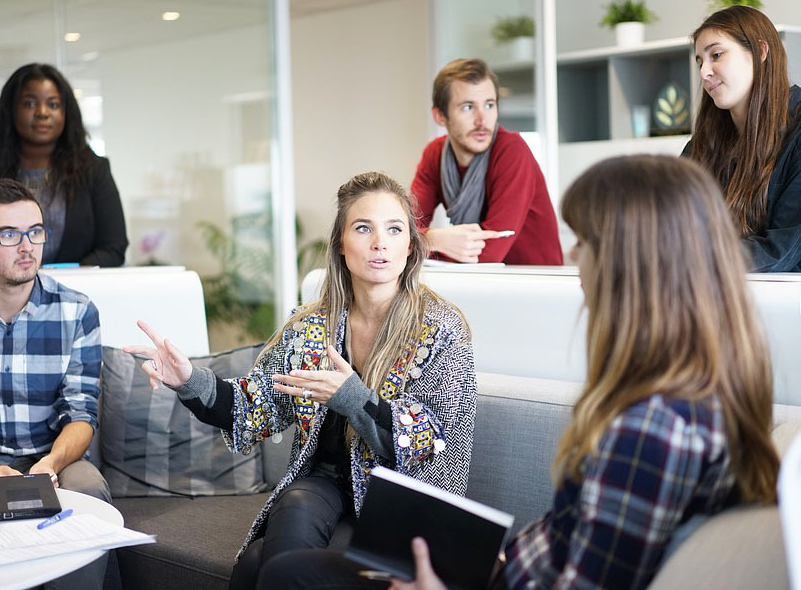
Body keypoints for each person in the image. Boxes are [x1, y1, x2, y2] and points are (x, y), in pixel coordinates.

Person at [257, 154, 780, 590]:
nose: (574, 258)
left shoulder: (653, 428)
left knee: (288, 576)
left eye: (586, 242)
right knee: (281, 566)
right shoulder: (688, 394)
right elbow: (576, 541)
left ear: (632, 263)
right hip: (502, 569)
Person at [126, 171, 476, 588]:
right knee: (293, 505)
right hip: (325, 483)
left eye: (394, 229)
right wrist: (187, 380)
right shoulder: (311, 326)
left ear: (410, 247)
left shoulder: (441, 328)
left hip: (401, 500)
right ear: (341, 246)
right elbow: (252, 406)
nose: (380, 242)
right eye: (363, 228)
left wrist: (353, 398)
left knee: (259, 563)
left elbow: (435, 444)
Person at [0, 179, 111, 589]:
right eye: (8, 234)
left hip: (50, 457)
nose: (27, 246)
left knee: (88, 489)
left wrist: (49, 466)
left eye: (35, 231)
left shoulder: (77, 312)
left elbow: (81, 412)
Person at [0, 62, 128, 270]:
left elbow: (113, 248)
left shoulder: (94, 169)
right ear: (11, 110)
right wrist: (15, 278)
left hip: (76, 293)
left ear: (66, 113)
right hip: (1, 296)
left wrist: (60, 280)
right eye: (30, 104)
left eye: (53, 105)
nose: (42, 113)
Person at [410, 58, 562, 265]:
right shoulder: (434, 154)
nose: (482, 120)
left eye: (489, 105)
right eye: (467, 107)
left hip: (534, 284)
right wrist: (433, 239)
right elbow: (403, 230)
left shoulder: (512, 151)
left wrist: (422, 242)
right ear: (440, 117)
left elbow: (489, 254)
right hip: (479, 283)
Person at [684, 5, 801, 271]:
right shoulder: (703, 143)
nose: (704, 73)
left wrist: (690, 260)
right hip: (715, 297)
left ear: (760, 51)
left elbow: (782, 251)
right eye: (700, 62)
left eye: (716, 54)